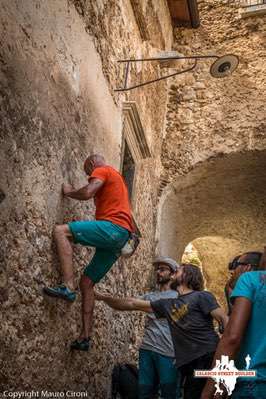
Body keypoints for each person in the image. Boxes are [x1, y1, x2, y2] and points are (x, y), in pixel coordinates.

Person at [96, 263, 228, 399]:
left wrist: (226, 359)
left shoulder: (202, 296)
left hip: (207, 357)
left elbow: (225, 319)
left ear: (187, 276)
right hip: (189, 364)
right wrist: (103, 298)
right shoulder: (168, 304)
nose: (173, 274)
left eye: (177, 271)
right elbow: (132, 304)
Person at [43, 154, 134, 351]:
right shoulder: (119, 182)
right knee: (86, 283)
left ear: (92, 164)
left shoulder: (103, 170)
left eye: (88, 173)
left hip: (112, 229)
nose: (89, 176)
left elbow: (88, 192)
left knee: (61, 231)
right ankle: (85, 337)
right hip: (120, 238)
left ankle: (67, 286)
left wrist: (69, 192)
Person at [96, 256, 181, 399]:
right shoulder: (150, 296)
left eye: (163, 269)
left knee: (169, 393)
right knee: (144, 391)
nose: (158, 272)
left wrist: (104, 298)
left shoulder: (178, 297)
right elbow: (127, 304)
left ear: (173, 274)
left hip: (169, 353)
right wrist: (105, 298)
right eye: (157, 269)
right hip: (147, 349)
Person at [201, 249, 266, 399]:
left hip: (254, 382)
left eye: (235, 265)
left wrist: (209, 391)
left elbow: (232, 339)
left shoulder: (250, 280)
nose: (232, 271)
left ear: (247, 267)